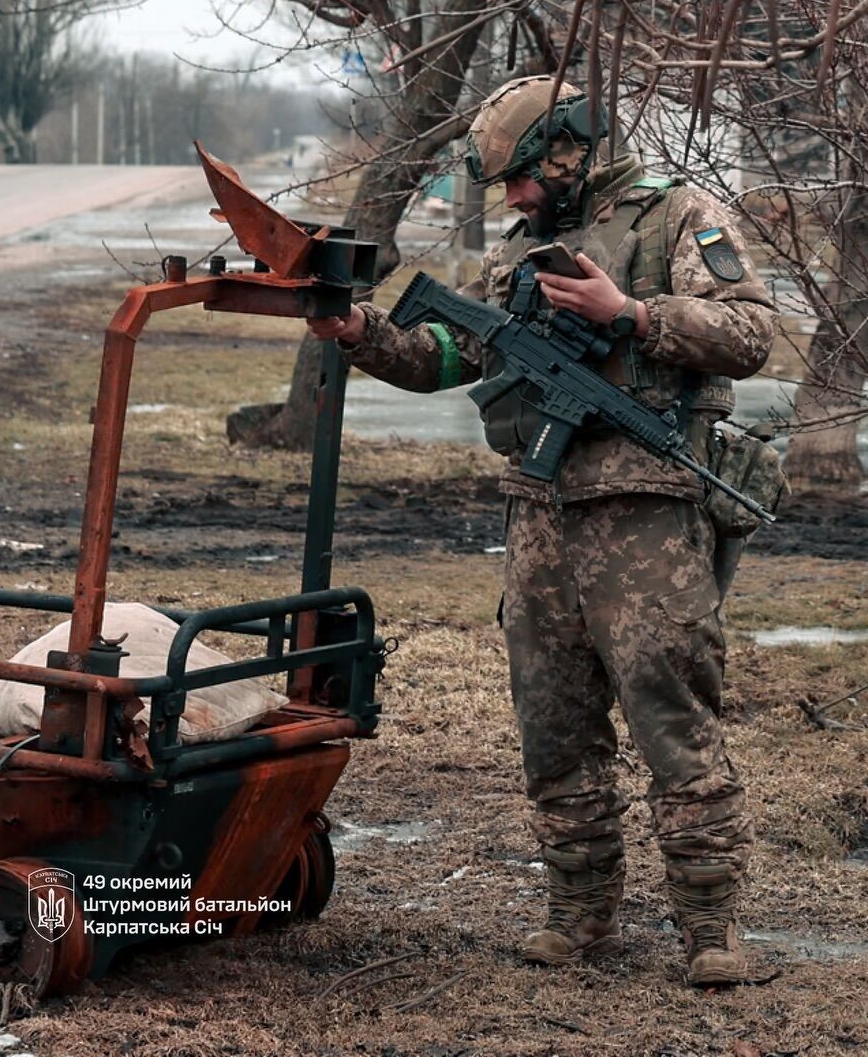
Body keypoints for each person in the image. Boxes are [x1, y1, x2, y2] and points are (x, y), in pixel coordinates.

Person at [307, 76, 776, 985]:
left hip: (645, 513)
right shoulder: (519, 253)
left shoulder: (679, 216)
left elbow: (752, 333)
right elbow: (454, 355)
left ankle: (711, 930)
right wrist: (362, 331)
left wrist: (632, 316)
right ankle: (579, 909)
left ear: (570, 149)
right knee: (553, 726)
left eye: (522, 177)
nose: (515, 197)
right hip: (540, 514)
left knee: (672, 715)